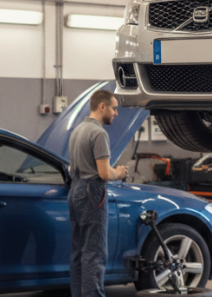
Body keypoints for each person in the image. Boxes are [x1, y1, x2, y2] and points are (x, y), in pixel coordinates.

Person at [68, 89, 128, 297]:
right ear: (102, 106)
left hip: (75, 191)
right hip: (92, 193)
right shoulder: (99, 133)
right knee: (95, 253)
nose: (116, 113)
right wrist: (118, 173)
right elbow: (104, 173)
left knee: (79, 253)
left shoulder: (77, 130)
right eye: (114, 108)